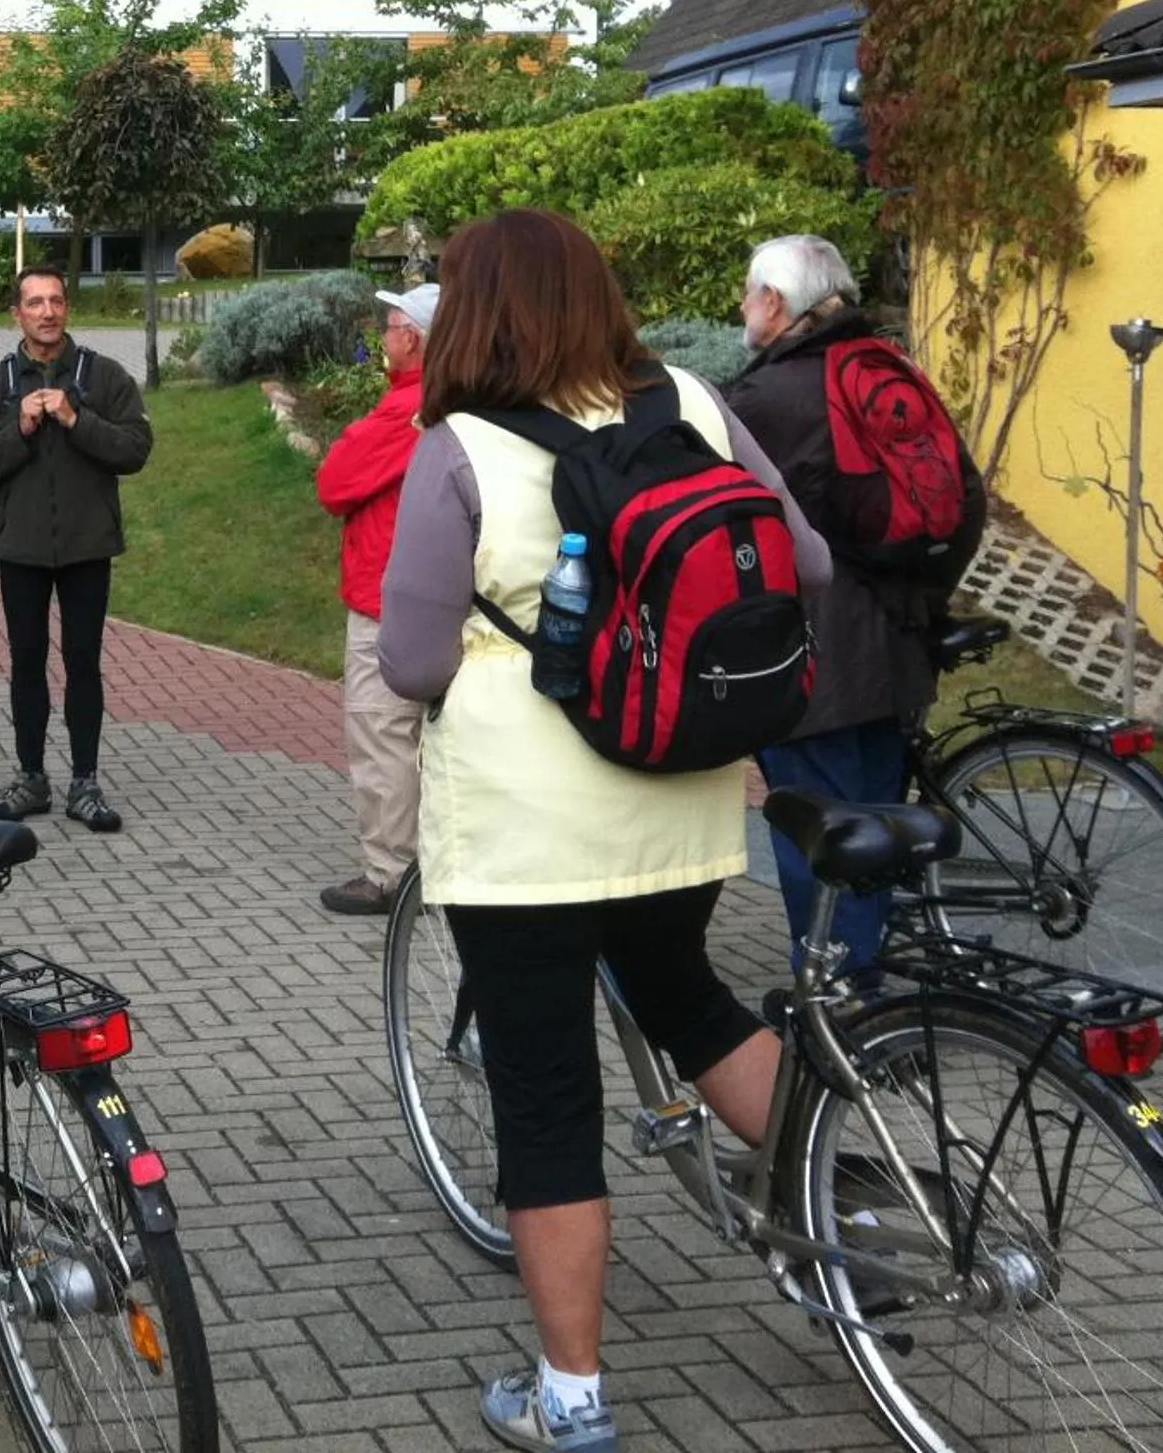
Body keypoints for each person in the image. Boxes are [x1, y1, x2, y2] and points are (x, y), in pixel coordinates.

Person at [375, 209, 832, 1452]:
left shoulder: (460, 447)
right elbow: (807, 564)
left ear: (472, 311)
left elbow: (412, 661)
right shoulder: (692, 401)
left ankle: (570, 1396)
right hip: (682, 793)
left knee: (544, 1094)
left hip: (525, 824)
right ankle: (841, 1200)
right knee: (691, 1000)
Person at [728, 234, 939, 982]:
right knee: (875, 830)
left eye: (749, 293)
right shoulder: (888, 370)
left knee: (818, 840)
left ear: (775, 302)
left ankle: (842, 1006)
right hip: (895, 647)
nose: (742, 308)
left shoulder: (766, 399)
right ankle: (871, 998)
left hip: (815, 660)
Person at [0, 264, 154, 833]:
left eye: (56, 301)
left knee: (83, 662)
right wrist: (18, 429)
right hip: (21, 550)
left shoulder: (103, 376)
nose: (47, 312)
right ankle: (31, 777)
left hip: (88, 547)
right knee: (27, 662)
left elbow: (135, 449)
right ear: (16, 313)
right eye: (35, 303)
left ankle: (85, 782)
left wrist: (74, 419)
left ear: (68, 307)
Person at [313, 282, 440, 917]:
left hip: (385, 598)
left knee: (383, 732)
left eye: (389, 328)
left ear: (411, 338)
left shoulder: (407, 410)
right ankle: (438, 865)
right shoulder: (461, 403)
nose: (383, 339)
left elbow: (335, 482)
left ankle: (391, 873)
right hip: (441, 597)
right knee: (435, 743)